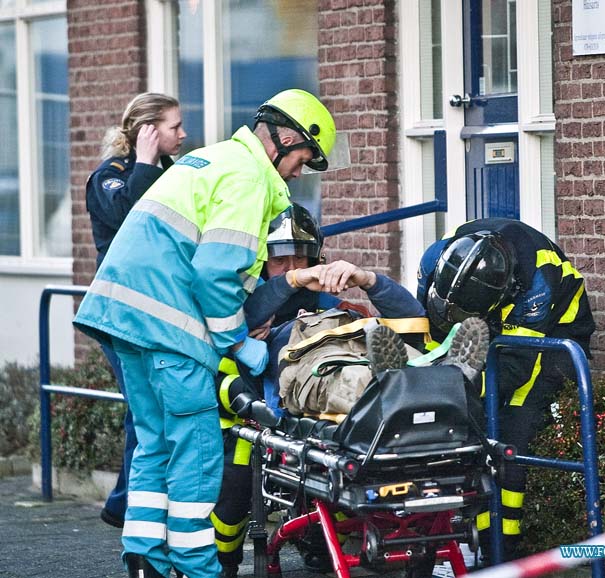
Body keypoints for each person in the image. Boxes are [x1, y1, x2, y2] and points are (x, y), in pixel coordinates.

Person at [74, 89, 337, 578]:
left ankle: (145, 561)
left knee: (153, 445)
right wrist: (237, 341)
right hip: (168, 328)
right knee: (195, 456)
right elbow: (215, 275)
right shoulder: (248, 179)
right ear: (283, 138)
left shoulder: (209, 159)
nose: (302, 171)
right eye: (304, 157)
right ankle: (198, 569)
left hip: (123, 316)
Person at [211, 202, 426, 578]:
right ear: (262, 262)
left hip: (336, 391)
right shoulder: (241, 304)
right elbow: (237, 327)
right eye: (280, 261)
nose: (293, 269)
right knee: (233, 491)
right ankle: (222, 564)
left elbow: (414, 322)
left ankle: (415, 379)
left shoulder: (330, 304)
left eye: (301, 258)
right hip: (263, 405)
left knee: (378, 352)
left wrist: (368, 280)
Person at [416, 218, 596, 563]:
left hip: (553, 342)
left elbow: (515, 368)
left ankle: (501, 550)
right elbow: (432, 332)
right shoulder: (436, 259)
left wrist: (458, 387)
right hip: (494, 330)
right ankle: (469, 536)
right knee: (463, 422)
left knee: (511, 428)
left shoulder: (536, 284)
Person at [86, 92, 186, 529]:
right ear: (147, 131)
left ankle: (126, 503)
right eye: (173, 127)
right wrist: (144, 161)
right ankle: (127, 505)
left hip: (155, 308)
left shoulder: (170, 172)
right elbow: (130, 216)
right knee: (144, 408)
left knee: (147, 408)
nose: (183, 134)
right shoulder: (109, 177)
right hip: (119, 313)